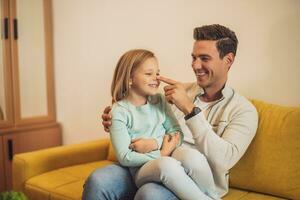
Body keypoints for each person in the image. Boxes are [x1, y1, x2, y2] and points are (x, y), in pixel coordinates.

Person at [82, 24, 258, 200]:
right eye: (193, 57)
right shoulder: (175, 91)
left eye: (204, 58)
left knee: (150, 194)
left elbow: (224, 161)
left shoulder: (243, 111)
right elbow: (142, 117)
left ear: (228, 60)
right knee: (98, 179)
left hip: (193, 181)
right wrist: (116, 118)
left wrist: (190, 110)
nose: (196, 65)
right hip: (150, 162)